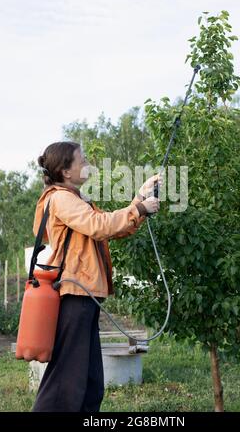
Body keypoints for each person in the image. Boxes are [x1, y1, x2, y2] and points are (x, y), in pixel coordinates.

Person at [31, 141, 161, 412]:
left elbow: (113, 227)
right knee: (65, 382)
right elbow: (99, 226)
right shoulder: (61, 198)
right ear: (66, 172)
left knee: (90, 383)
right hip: (74, 294)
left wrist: (140, 199)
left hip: (85, 294)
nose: (88, 163)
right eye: (83, 160)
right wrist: (140, 209)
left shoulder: (76, 199)